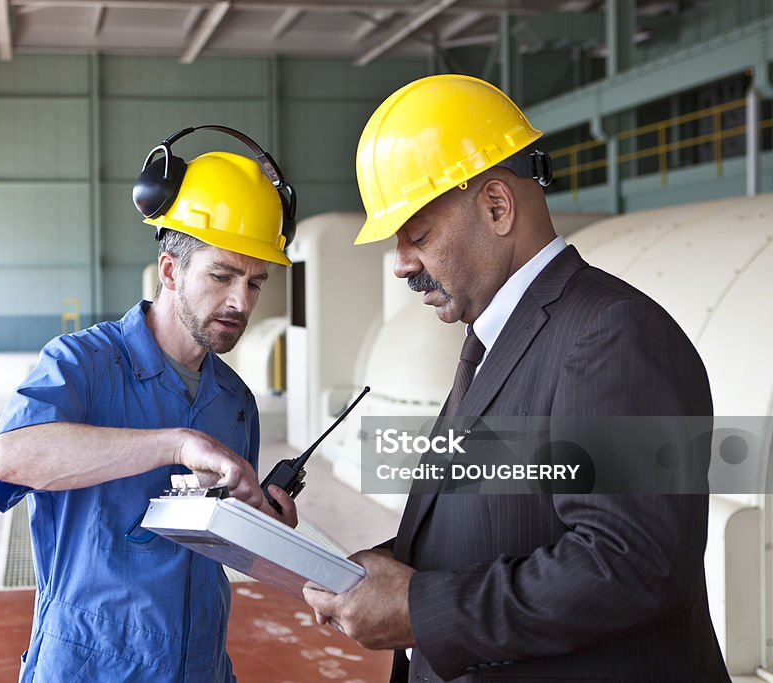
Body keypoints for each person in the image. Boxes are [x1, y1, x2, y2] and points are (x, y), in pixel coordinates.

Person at [302, 75, 730, 682]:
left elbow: (632, 563)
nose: (400, 264)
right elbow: (512, 519)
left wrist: (420, 610)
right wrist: (393, 569)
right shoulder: (492, 341)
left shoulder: (614, 335)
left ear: (498, 207)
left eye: (417, 234)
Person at [0, 126, 299, 681]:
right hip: (88, 665)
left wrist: (258, 523)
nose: (240, 302)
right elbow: (10, 459)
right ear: (171, 271)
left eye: (255, 283)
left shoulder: (235, 401)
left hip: (200, 664)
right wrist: (176, 444)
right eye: (222, 276)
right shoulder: (84, 364)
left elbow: (214, 542)